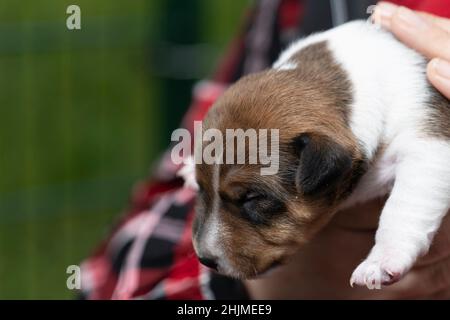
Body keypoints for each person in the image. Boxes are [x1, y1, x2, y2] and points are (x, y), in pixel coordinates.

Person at [80, 0, 450, 299]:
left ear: (324, 166)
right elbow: (105, 282)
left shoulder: (406, 102)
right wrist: (258, 293)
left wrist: (392, 247)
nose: (206, 247)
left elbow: (434, 154)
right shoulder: (304, 17)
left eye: (252, 202)